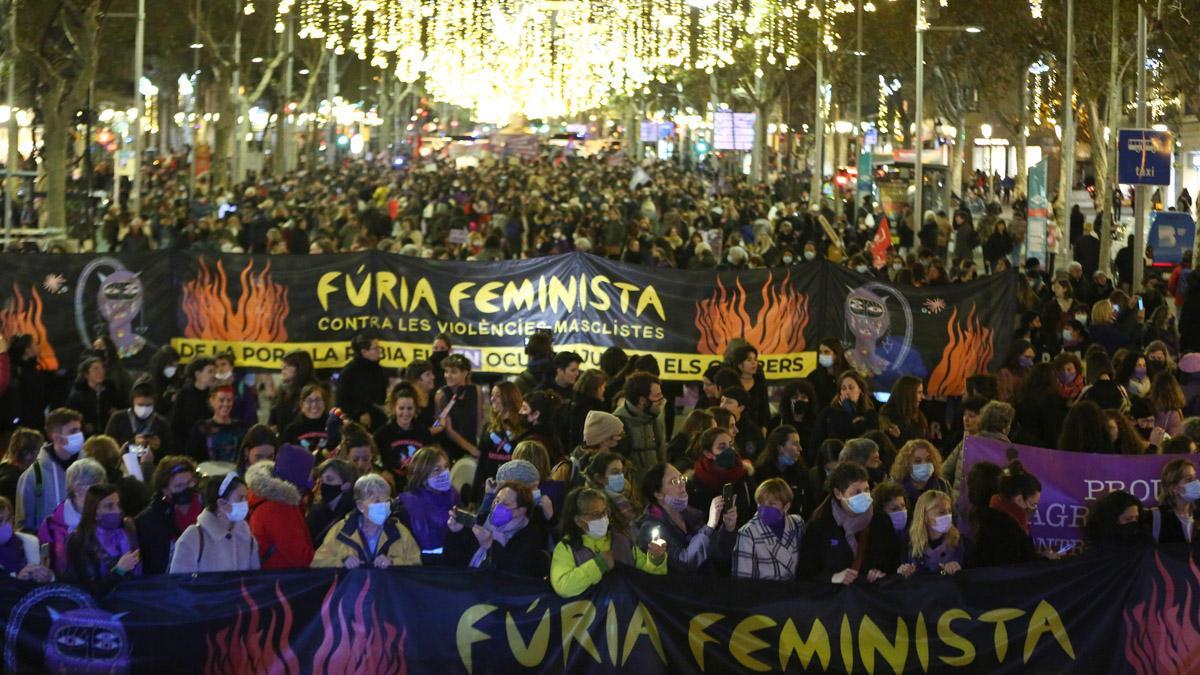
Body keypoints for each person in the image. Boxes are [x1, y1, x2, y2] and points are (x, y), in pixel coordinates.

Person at [550, 487, 667, 598]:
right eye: (596, 514)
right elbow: (563, 586)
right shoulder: (566, 548)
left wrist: (656, 560)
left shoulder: (621, 541)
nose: (603, 518)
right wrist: (598, 565)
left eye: (604, 512)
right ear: (578, 521)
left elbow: (647, 577)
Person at [798, 462, 900, 584]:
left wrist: (883, 574)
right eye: (856, 492)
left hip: (872, 596)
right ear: (838, 493)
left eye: (866, 490)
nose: (864, 496)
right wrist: (832, 578)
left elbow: (894, 561)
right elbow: (805, 574)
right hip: (836, 599)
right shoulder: (820, 526)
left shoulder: (881, 522)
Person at [634, 462, 735, 575]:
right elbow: (683, 564)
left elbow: (719, 555)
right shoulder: (650, 528)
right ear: (658, 494)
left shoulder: (690, 515)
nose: (682, 484)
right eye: (674, 481)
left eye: (682, 479)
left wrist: (727, 528)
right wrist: (710, 525)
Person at [312, 473, 422, 568]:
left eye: (387, 501)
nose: (384, 506)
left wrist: (393, 562)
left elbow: (416, 563)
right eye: (377, 501)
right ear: (360, 505)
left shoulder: (399, 531)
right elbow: (317, 561)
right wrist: (342, 561)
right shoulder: (341, 531)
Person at [445, 481, 548, 577]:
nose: (497, 506)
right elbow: (453, 562)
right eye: (497, 500)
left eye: (505, 504)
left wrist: (490, 545)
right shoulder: (481, 521)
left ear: (520, 510)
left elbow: (516, 573)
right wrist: (456, 533)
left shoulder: (529, 536)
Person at [168, 472, 261, 573]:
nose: (245, 503)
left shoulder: (246, 537)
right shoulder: (193, 538)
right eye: (240, 498)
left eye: (246, 498)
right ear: (221, 503)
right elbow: (180, 584)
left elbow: (254, 582)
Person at [63, 483, 140, 592]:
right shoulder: (79, 540)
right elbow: (93, 588)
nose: (117, 511)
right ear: (94, 511)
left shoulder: (127, 527)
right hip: (98, 604)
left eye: (118, 504)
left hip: (133, 595)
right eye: (109, 506)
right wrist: (119, 570)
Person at [37, 458, 106, 578]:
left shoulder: (106, 519)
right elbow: (45, 567)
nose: (102, 495)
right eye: (97, 489)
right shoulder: (50, 526)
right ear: (78, 489)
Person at [17, 408, 85, 532]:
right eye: (73, 431)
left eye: (80, 429)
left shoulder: (88, 469)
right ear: (57, 437)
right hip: (49, 548)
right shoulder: (33, 476)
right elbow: (24, 525)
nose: (80, 435)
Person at [134, 456, 202, 574]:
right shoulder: (148, 521)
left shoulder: (208, 507)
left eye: (190, 483)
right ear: (165, 490)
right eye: (179, 486)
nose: (187, 489)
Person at [970, 460, 1043, 567]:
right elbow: (1018, 565)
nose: (1034, 509)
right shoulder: (1007, 527)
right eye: (1032, 504)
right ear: (1019, 499)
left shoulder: (993, 514)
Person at [246, 459, 315, 569]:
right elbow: (300, 557)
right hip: (284, 579)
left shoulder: (262, 500)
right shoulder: (280, 507)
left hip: (272, 575)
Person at [395, 446, 459, 562]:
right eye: (437, 470)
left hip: (452, 563)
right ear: (422, 475)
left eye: (446, 467)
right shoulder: (406, 505)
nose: (445, 473)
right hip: (422, 568)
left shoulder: (454, 496)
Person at [733, 478, 804, 580]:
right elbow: (743, 579)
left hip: (796, 592)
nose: (764, 508)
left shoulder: (797, 524)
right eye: (761, 503)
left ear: (786, 506)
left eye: (771, 504)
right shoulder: (748, 533)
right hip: (764, 593)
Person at [688, 427, 754, 528]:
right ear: (708, 453)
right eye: (722, 447)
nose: (730, 450)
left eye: (731, 445)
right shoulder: (696, 483)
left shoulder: (744, 475)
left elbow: (752, 509)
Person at [472, 382, 525, 497]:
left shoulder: (522, 428)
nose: (492, 399)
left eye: (498, 396)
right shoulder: (489, 427)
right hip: (489, 487)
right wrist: (474, 494)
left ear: (509, 398)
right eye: (492, 395)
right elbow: (481, 462)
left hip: (512, 489)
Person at [374, 383, 432, 484]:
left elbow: (430, 459)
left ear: (415, 409)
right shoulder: (382, 434)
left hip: (417, 484)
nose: (405, 413)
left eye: (409, 408)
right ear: (394, 408)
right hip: (391, 485)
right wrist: (383, 471)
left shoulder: (423, 432)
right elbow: (374, 458)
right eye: (401, 408)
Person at [897, 490, 963, 577]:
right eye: (941, 512)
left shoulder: (960, 542)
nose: (948, 516)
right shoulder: (908, 544)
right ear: (924, 516)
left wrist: (958, 571)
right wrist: (903, 572)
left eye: (949, 511)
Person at [613, 372, 666, 479]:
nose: (662, 401)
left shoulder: (655, 419)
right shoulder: (617, 424)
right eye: (657, 396)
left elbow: (661, 457)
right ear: (642, 401)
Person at [553, 410, 624, 489]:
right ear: (605, 440)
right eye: (617, 439)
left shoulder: (620, 466)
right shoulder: (566, 470)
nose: (619, 444)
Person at [431, 354, 483, 460]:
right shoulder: (441, 395)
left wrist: (479, 446)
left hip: (473, 444)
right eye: (446, 371)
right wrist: (472, 450)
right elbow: (448, 430)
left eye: (453, 372)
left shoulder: (476, 390)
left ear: (465, 373)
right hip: (450, 449)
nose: (448, 375)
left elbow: (480, 420)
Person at [751, 425, 810, 517]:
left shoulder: (801, 472)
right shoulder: (760, 473)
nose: (800, 448)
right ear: (780, 447)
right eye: (795, 444)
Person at [104, 380, 172, 458]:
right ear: (132, 402)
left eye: (148, 405)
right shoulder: (118, 419)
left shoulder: (161, 424)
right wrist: (133, 444)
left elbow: (169, 454)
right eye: (140, 405)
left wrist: (158, 448)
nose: (144, 409)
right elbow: (108, 450)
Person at [810, 371, 879, 448]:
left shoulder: (870, 414)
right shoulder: (828, 413)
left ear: (860, 390)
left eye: (851, 387)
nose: (847, 391)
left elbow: (869, 441)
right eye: (843, 388)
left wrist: (852, 412)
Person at [335, 333, 389, 428]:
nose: (379, 351)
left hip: (380, 421)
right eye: (375, 348)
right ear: (364, 352)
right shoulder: (349, 372)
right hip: (356, 424)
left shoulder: (379, 370)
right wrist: (359, 413)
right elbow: (341, 401)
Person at [186, 386, 250, 464]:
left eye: (229, 400)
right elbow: (191, 457)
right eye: (221, 400)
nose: (226, 404)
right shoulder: (201, 428)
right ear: (212, 401)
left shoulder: (241, 428)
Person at [1145, 458, 1198, 545]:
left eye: (1195, 478)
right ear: (1173, 487)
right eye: (1189, 479)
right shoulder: (1156, 517)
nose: (1196, 482)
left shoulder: (1196, 515)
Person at [306, 458, 357, 545]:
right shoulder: (315, 511)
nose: (323, 484)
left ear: (346, 485)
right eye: (321, 480)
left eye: (329, 479)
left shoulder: (353, 514)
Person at [64, 357, 120, 437]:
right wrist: (83, 425)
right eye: (95, 369)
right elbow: (69, 416)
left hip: (109, 435)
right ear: (86, 374)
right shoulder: (78, 395)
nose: (100, 372)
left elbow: (122, 408)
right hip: (86, 437)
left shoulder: (111, 392)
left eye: (102, 368)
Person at [0, 496, 52, 581]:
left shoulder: (30, 543)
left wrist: (48, 576)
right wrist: (18, 581)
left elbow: (49, 580)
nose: (6, 525)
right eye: (0, 521)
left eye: (9, 519)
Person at [169, 357, 216, 451]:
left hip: (209, 447)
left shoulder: (214, 395)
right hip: (186, 447)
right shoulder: (184, 394)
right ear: (198, 374)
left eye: (214, 372)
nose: (214, 375)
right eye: (210, 372)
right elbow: (176, 424)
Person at [1083, 490, 1150, 553]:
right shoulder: (1095, 554)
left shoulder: (1146, 550)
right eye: (1128, 519)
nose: (1134, 523)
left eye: (1136, 518)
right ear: (1111, 521)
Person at [889, 439, 951, 506]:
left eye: (928, 460)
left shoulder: (942, 485)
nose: (924, 464)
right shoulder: (895, 490)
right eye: (918, 461)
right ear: (906, 464)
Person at [268, 350, 319, 430]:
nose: (283, 369)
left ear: (300, 368)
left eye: (287, 366)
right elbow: (272, 420)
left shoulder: (313, 392)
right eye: (282, 366)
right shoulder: (282, 391)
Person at [282, 384, 334, 454]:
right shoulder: (292, 430)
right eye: (309, 401)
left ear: (324, 403)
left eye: (318, 400)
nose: (314, 405)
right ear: (301, 405)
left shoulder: (333, 427)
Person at [564, 369, 608, 452]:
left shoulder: (574, 402)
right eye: (603, 387)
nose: (604, 390)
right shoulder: (594, 411)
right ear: (596, 389)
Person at [879, 375, 929, 446]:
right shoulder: (889, 414)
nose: (922, 397)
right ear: (908, 393)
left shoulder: (917, 414)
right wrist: (897, 438)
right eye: (919, 392)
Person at [0, 428, 42, 506]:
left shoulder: (10, 472)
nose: (41, 456)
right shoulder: (11, 481)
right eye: (38, 450)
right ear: (27, 453)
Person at [806, 338, 850, 408]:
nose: (822, 355)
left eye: (826, 352)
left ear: (836, 354)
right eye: (820, 352)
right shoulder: (813, 376)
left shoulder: (849, 375)